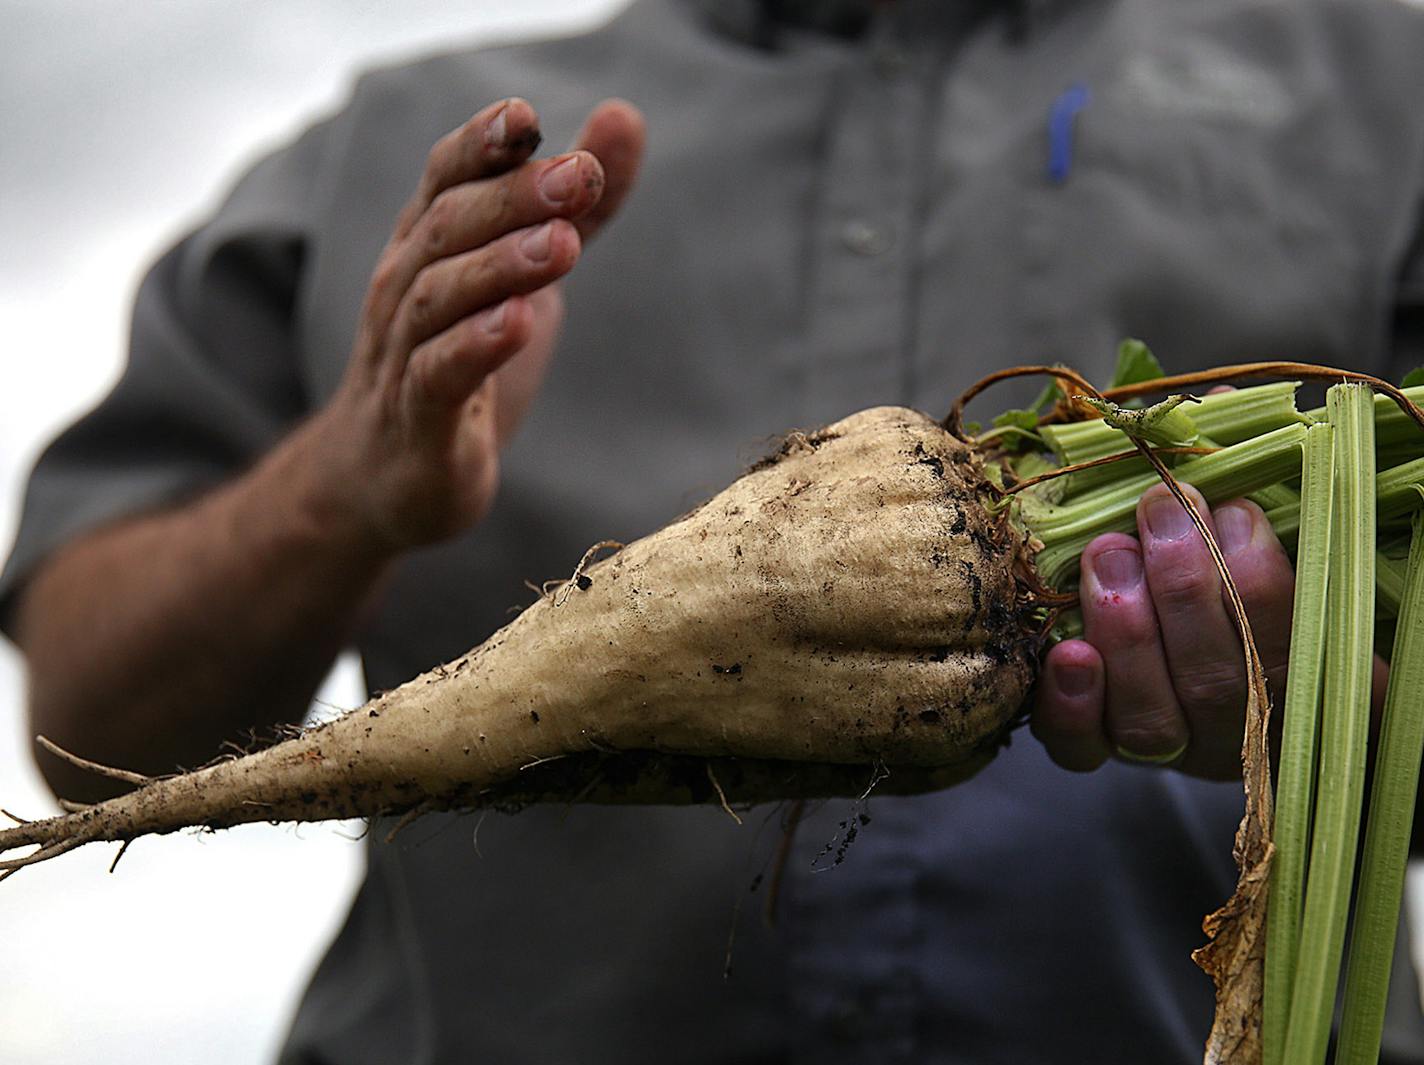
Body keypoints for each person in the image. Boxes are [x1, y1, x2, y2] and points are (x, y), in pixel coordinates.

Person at [4, 1, 1424, 1061]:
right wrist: (336, 489)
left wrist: (1327, 686)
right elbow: (86, 721)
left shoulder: (1384, 93)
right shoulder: (405, 152)